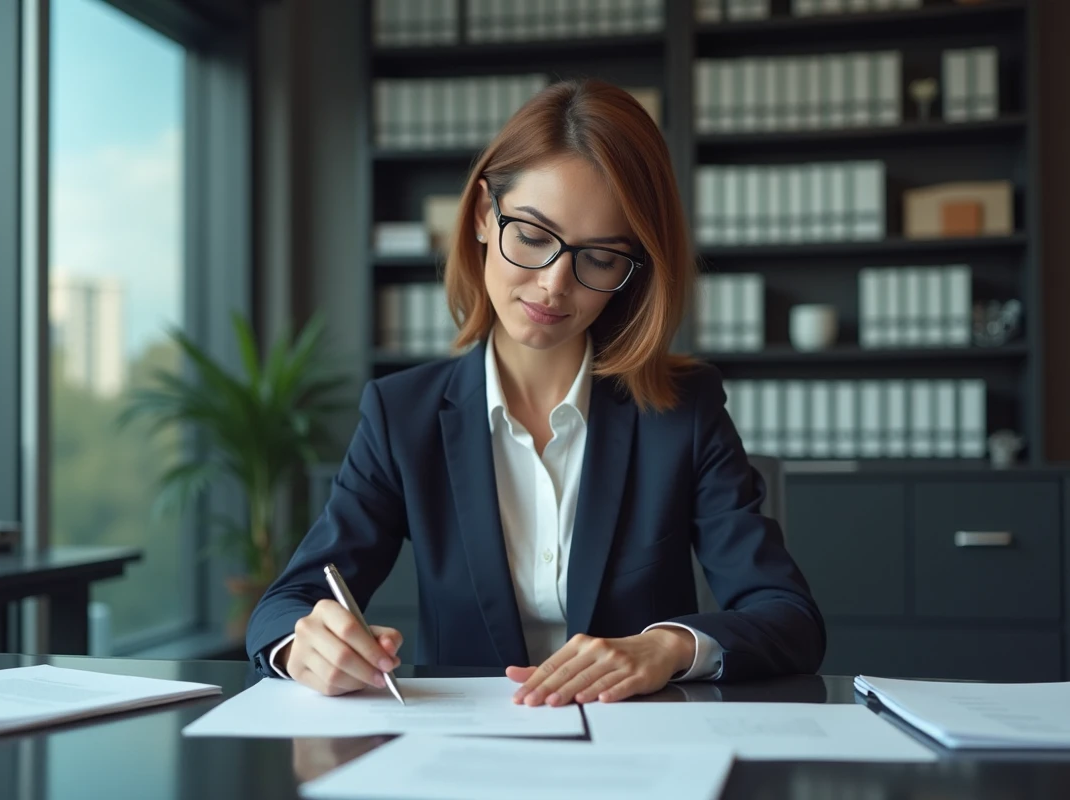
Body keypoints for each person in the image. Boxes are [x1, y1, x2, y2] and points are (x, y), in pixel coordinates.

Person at [246, 79, 824, 706]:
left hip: (637, 753)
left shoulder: (681, 411)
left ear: (632, 274)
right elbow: (284, 606)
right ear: (481, 218)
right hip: (465, 754)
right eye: (531, 234)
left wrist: (667, 646)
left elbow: (787, 617)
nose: (553, 285)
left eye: (600, 257)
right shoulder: (401, 416)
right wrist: (306, 645)